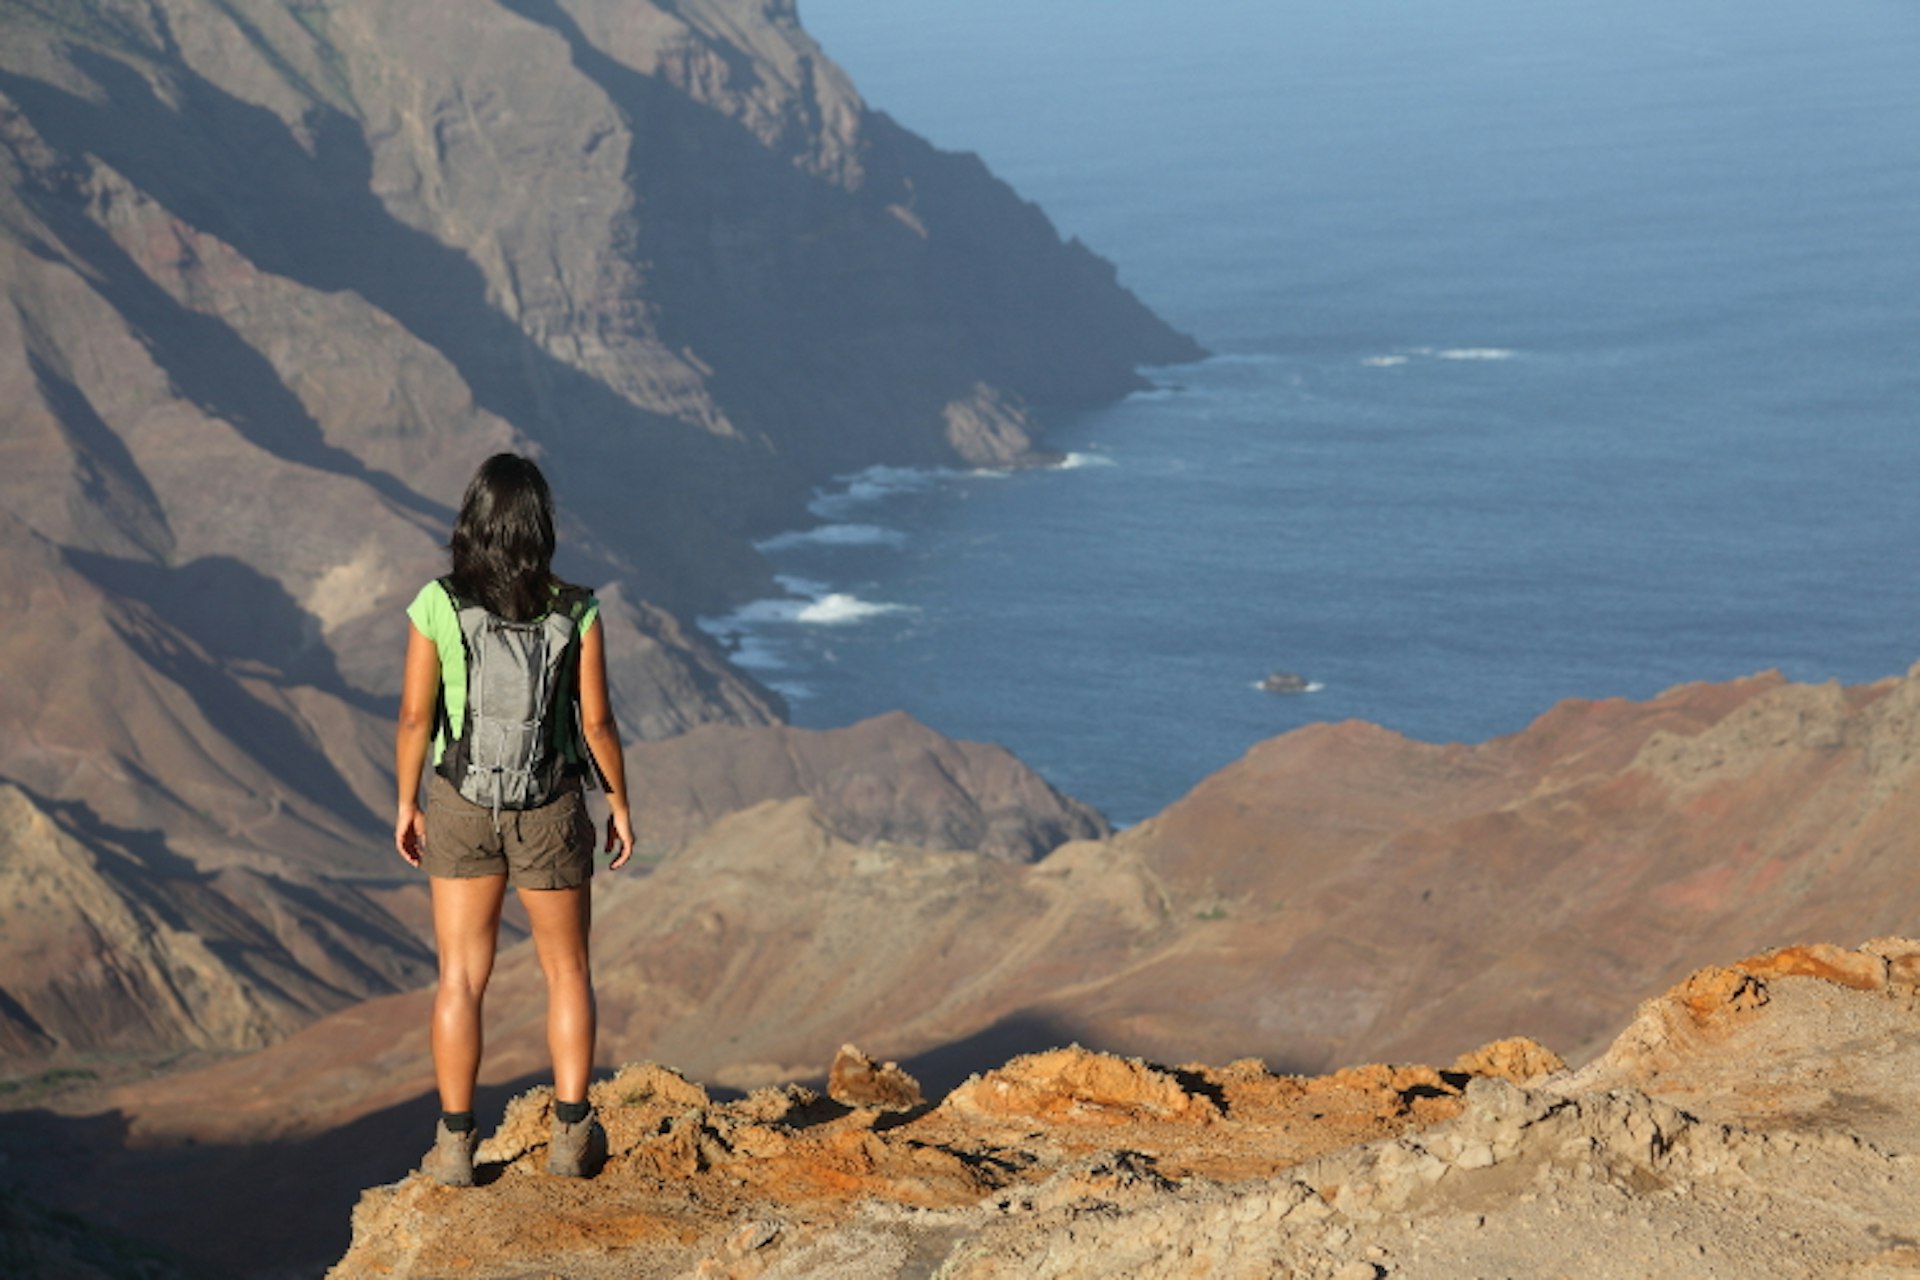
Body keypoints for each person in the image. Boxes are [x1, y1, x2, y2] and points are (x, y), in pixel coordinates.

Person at [393, 453, 635, 1186]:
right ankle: (569, 1140)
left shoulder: (436, 603)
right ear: (541, 526)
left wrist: (405, 801)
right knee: (568, 972)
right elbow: (595, 723)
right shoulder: (576, 607)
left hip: (461, 803)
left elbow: (413, 717)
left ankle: (457, 1147)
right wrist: (619, 800)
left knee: (461, 979)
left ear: (471, 521)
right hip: (551, 806)